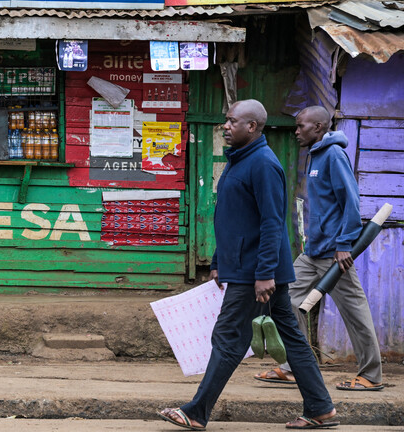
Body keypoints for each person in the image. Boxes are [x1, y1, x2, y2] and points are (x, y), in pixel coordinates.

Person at [158, 100, 337, 430]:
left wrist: (265, 273)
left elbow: (272, 222)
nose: (225, 126)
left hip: (255, 271)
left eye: (231, 121)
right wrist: (217, 261)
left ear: (252, 126)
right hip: (246, 267)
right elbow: (233, 219)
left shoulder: (263, 164)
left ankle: (197, 411)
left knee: (228, 338)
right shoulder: (238, 160)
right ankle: (321, 408)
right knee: (292, 339)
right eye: (226, 120)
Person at [254, 105, 383, 391]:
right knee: (286, 301)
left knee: (355, 312)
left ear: (319, 128)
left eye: (301, 126)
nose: (296, 131)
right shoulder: (314, 155)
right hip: (313, 252)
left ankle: (371, 375)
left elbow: (350, 200)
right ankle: (293, 366)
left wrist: (345, 244)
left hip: (335, 254)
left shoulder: (334, 154)